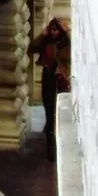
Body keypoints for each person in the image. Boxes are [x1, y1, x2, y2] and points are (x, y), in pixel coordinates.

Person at [32, 17, 71, 161]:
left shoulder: (65, 43)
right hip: (48, 78)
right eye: (52, 30)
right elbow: (32, 48)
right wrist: (43, 34)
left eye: (56, 30)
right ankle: (50, 145)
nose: (54, 32)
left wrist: (67, 32)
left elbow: (74, 47)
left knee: (60, 111)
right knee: (49, 111)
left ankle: (57, 140)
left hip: (61, 81)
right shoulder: (46, 41)